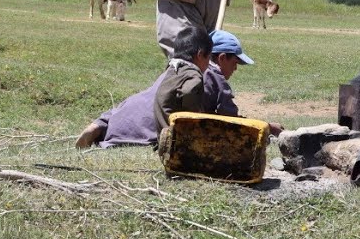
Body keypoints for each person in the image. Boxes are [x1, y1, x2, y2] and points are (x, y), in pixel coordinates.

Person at [74, 27, 278, 148]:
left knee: (143, 100)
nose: (236, 69)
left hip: (122, 118)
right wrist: (268, 127)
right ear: (221, 57)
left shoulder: (174, 68)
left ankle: (101, 124)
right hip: (148, 131)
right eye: (235, 62)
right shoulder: (214, 76)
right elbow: (231, 121)